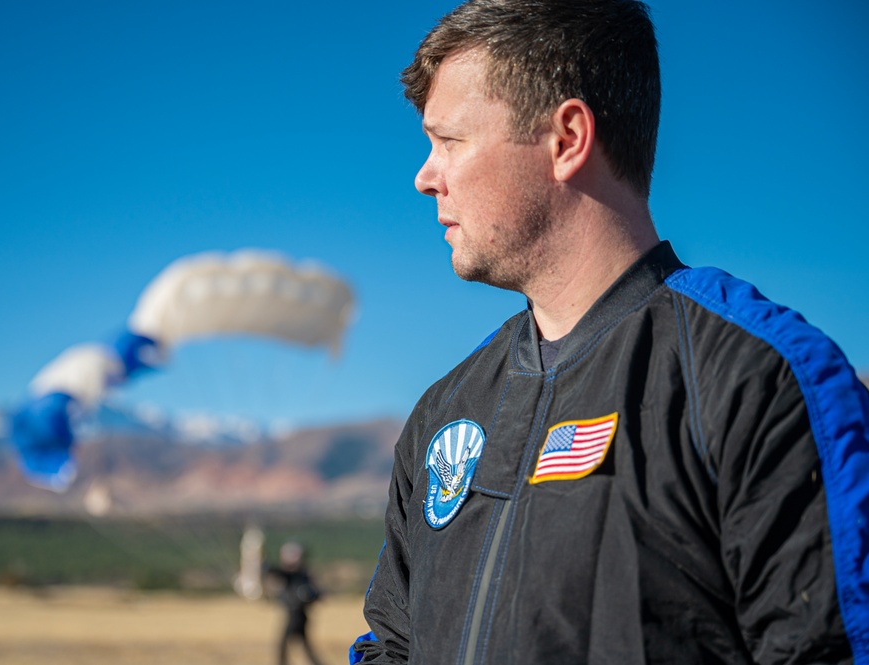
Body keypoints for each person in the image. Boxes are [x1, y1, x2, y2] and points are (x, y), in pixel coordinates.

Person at [352, 1, 869, 664]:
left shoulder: (755, 377)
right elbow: (391, 646)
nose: (425, 177)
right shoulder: (445, 412)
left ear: (566, 138)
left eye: (448, 141)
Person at [266, 541, 325, 665]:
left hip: (297, 616)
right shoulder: (298, 575)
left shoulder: (298, 575)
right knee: (303, 647)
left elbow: (317, 595)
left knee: (284, 645)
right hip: (298, 615)